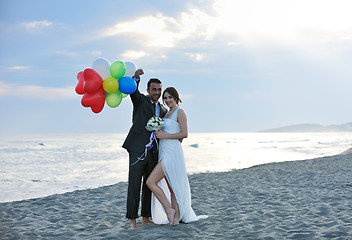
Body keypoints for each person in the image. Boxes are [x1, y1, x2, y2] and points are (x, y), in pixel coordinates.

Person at [146, 87, 207, 226]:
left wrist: (164, 136)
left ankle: (169, 211)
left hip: (172, 153)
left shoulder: (180, 112)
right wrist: (158, 133)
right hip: (163, 151)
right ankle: (175, 217)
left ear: (176, 97)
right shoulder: (167, 114)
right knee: (172, 187)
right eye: (165, 98)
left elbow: (184, 134)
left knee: (150, 182)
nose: (167, 100)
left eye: (170, 97)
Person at [122, 69, 167, 230]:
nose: (157, 92)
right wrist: (135, 78)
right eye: (154, 89)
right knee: (134, 185)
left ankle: (146, 217)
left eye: (159, 90)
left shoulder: (163, 110)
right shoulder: (141, 101)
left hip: (153, 152)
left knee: (149, 184)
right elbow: (133, 92)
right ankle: (132, 221)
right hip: (137, 149)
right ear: (148, 90)